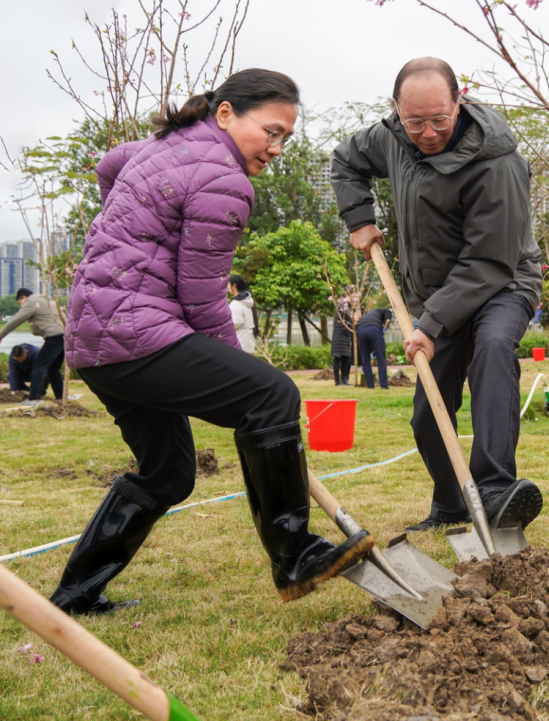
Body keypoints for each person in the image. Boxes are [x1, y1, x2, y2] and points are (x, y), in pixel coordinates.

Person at [51, 68, 374, 616]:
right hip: (136, 333)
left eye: (285, 138)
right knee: (271, 396)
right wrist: (247, 374)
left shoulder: (162, 145)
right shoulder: (225, 181)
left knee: (168, 474)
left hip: (93, 340)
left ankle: (75, 596)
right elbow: (203, 305)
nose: (276, 148)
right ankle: (294, 554)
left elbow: (110, 165)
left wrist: (123, 232)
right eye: (269, 131)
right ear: (225, 113)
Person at [331, 57, 544, 533]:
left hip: (503, 280)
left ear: (459, 102)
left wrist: (428, 325)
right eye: (415, 121)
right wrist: (359, 218)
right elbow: (346, 160)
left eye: (439, 120)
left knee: (491, 349)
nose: (427, 133)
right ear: (397, 111)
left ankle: (493, 490)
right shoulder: (391, 137)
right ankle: (450, 506)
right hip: (434, 293)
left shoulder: (498, 162)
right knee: (428, 412)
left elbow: (489, 260)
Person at [0, 288, 66, 406]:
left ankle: (33, 399)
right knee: (53, 369)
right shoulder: (48, 301)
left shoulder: (31, 301)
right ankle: (60, 397)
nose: (21, 306)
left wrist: (0, 335)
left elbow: (16, 320)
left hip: (55, 337)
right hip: (65, 336)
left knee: (38, 366)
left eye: (20, 303)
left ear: (23, 298)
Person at [356, 306, 394, 389]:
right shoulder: (382, 310)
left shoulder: (368, 315)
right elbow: (388, 314)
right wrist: (386, 326)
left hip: (360, 330)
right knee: (381, 358)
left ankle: (370, 385)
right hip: (373, 329)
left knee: (365, 359)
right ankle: (384, 385)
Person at [331, 292, 357, 386]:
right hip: (339, 335)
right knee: (338, 358)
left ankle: (344, 379)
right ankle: (337, 381)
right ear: (347, 296)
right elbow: (349, 318)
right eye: (353, 296)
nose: (354, 299)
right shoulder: (342, 305)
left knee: (346, 358)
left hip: (346, 335)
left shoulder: (347, 306)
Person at [228, 274, 257, 353]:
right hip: (248, 342)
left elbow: (237, 322)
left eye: (228, 285)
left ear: (234, 286)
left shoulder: (236, 303)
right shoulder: (248, 300)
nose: (227, 288)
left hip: (240, 343)